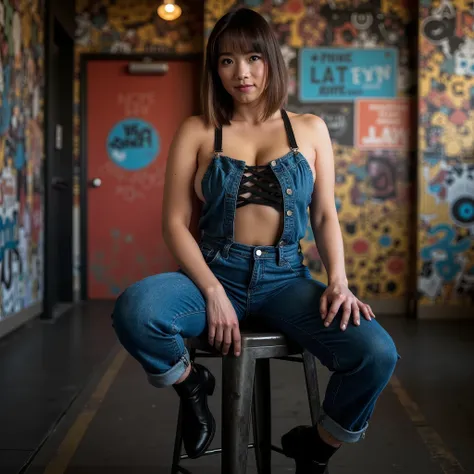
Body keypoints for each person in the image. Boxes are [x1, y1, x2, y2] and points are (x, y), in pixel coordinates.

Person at [112, 7, 399, 473]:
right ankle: (192, 385)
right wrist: (212, 291)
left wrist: (339, 282)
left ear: (271, 61)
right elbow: (174, 225)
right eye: (226, 61)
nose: (241, 72)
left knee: (376, 352)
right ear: (215, 69)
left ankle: (318, 445)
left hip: (285, 279)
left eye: (252, 57)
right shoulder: (198, 130)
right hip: (213, 270)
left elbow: (324, 214)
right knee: (137, 310)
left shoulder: (309, 129)